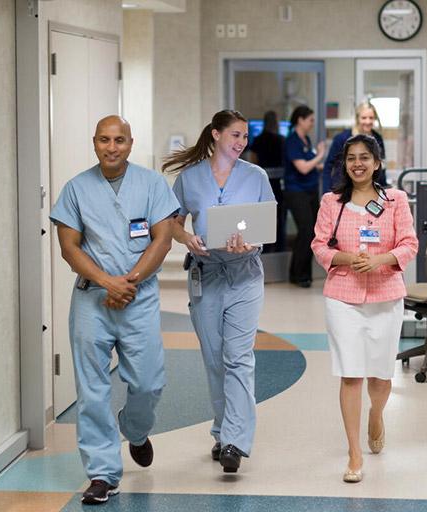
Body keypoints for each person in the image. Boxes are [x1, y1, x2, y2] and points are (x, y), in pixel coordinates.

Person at [50, 116, 180, 505]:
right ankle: (103, 473)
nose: (111, 147)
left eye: (119, 140)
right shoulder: (75, 189)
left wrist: (130, 281)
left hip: (138, 298)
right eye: (104, 140)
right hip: (93, 298)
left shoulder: (152, 184)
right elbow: (69, 247)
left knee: (148, 381)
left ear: (130, 143)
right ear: (94, 143)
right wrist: (109, 282)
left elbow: (164, 238)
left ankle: (135, 430)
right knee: (92, 390)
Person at [162, 110, 275, 474]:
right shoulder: (190, 178)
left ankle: (235, 442)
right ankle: (222, 430)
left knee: (238, 358)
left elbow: (266, 226)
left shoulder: (255, 176)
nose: (241, 143)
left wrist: (251, 244)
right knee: (215, 359)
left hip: (244, 274)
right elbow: (173, 223)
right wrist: (187, 239)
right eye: (235, 135)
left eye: (245, 137)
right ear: (215, 134)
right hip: (205, 274)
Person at [310, 134, 418, 484]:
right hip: (342, 295)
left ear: (377, 163)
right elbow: (319, 244)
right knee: (351, 373)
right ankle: (354, 452)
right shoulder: (332, 202)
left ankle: (377, 414)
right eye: (351, 158)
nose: (358, 164)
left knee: (381, 375)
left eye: (365, 158)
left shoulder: (396, 200)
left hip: (386, 295)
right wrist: (345, 258)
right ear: (344, 163)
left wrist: (380, 261)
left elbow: (409, 243)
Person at [283, 105, 327, 287]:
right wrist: (321, 154)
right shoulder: (292, 141)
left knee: (314, 232)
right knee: (306, 231)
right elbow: (303, 167)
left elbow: (310, 164)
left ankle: (305, 274)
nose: (312, 124)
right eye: (310, 120)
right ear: (300, 120)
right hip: (296, 192)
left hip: (309, 191)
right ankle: (297, 274)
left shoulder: (306, 140)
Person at [322, 102, 388, 194]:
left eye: (371, 118)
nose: (368, 121)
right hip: (344, 190)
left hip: (370, 191)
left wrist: (384, 189)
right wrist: (326, 193)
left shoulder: (378, 139)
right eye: (364, 118)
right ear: (358, 119)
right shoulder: (342, 138)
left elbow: (381, 166)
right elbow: (328, 167)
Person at [246, 110, 287, 252]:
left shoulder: (258, 140)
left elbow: (253, 161)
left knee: (264, 217)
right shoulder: (281, 140)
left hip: (263, 182)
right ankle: (280, 248)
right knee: (280, 218)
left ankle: (266, 249)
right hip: (278, 183)